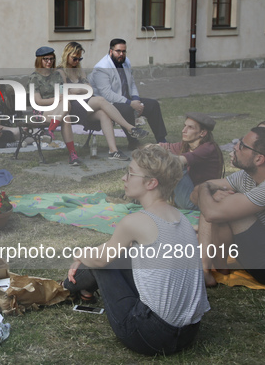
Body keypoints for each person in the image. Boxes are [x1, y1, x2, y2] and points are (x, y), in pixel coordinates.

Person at [63, 144, 210, 355]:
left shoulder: (135, 222)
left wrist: (78, 255)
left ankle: (68, 286)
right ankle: (80, 288)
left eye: (130, 174)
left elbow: (102, 259)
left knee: (104, 262)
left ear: (151, 183)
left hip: (150, 336)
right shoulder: (180, 218)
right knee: (119, 255)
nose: (124, 178)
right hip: (189, 333)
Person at [191, 127, 265, 287]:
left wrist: (206, 189)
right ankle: (217, 268)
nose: (235, 147)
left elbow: (211, 212)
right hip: (259, 252)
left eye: (243, 146)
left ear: (259, 159)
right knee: (215, 203)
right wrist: (210, 191)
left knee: (217, 207)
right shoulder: (246, 176)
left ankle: (205, 269)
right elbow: (194, 196)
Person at [58, 42, 149, 161]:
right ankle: (130, 128)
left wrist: (76, 90)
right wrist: (81, 89)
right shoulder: (60, 72)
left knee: (104, 114)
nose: (77, 61)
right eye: (74, 58)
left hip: (85, 104)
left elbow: (90, 90)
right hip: (72, 107)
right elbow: (64, 93)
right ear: (67, 56)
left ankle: (113, 151)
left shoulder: (80, 70)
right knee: (101, 100)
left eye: (79, 58)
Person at [89, 38, 168, 150]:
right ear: (111, 51)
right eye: (118, 51)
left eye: (124, 51)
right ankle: (133, 142)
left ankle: (161, 140)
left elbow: (132, 83)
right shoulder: (101, 68)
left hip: (127, 99)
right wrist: (130, 103)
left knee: (153, 105)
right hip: (109, 103)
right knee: (126, 109)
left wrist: (136, 100)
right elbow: (107, 94)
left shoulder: (126, 62)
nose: (121, 54)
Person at [159, 112, 223, 210]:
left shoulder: (208, 149)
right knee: (154, 156)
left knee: (174, 164)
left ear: (202, 133)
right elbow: (164, 147)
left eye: (190, 127)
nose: (183, 130)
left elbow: (180, 160)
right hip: (185, 197)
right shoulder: (186, 145)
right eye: (184, 126)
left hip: (197, 202)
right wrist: (148, 149)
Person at [29, 46, 81, 165]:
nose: (49, 62)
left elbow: (63, 93)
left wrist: (62, 97)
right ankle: (72, 153)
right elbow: (38, 101)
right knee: (65, 113)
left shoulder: (57, 75)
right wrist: (56, 99)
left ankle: (50, 131)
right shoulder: (34, 78)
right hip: (41, 111)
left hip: (57, 109)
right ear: (39, 60)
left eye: (52, 59)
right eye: (46, 59)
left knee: (66, 114)